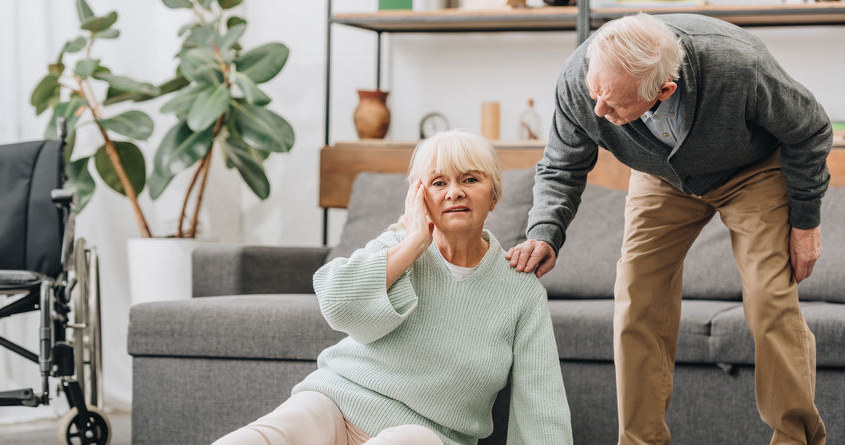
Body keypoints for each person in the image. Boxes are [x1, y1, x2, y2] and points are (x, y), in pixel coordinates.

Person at [506, 13, 830, 445]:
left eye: (615, 104)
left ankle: (796, 439)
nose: (598, 111)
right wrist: (544, 231)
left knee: (769, 299)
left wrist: (806, 223)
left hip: (751, 171)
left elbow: (810, 129)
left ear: (663, 90)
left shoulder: (738, 68)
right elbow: (562, 164)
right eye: (595, 94)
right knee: (637, 292)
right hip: (661, 174)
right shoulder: (582, 79)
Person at [213, 130, 573, 445]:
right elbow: (336, 303)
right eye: (438, 182)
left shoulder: (519, 289)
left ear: (493, 196)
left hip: (427, 434)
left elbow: (540, 404)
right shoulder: (397, 247)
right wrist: (414, 242)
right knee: (266, 436)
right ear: (420, 198)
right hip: (336, 404)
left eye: (470, 180)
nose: (454, 193)